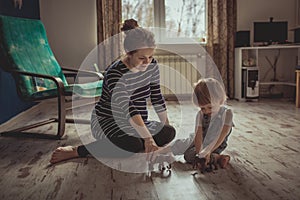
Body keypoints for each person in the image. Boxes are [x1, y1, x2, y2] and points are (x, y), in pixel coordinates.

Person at [50, 19, 176, 164]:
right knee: (131, 145)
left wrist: (165, 125)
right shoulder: (115, 73)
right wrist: (148, 139)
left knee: (169, 132)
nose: (147, 62)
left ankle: (137, 141)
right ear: (129, 53)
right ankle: (78, 151)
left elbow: (156, 96)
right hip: (107, 121)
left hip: (138, 122)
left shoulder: (152, 66)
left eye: (150, 57)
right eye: (142, 58)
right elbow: (129, 108)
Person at [154, 78, 233, 171]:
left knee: (189, 156)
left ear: (220, 101)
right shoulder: (200, 115)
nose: (206, 111)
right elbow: (198, 135)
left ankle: (218, 157)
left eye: (210, 107)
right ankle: (163, 150)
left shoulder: (227, 113)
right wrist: (200, 153)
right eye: (203, 108)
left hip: (216, 144)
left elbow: (222, 135)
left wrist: (207, 151)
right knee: (185, 145)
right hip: (199, 141)